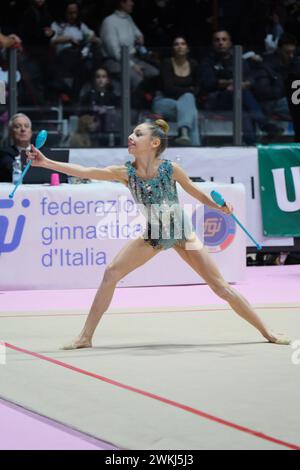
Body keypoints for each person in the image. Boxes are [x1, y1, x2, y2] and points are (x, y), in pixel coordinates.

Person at [26, 119, 290, 349]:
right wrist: (46, 162)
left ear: (154, 143)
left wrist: (220, 206)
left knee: (220, 286)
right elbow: (84, 171)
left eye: (138, 134)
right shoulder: (125, 173)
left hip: (182, 233)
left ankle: (266, 331)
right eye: (132, 133)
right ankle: (85, 337)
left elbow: (197, 194)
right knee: (111, 272)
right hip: (154, 234)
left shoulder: (171, 169)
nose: (131, 136)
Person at [199, 30, 283, 144]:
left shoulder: (238, 59)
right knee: (241, 94)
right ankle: (265, 124)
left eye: (224, 39)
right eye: (217, 40)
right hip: (216, 100)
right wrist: (231, 83)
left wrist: (245, 83)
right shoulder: (207, 61)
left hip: (238, 99)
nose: (220, 42)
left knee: (243, 109)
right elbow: (208, 82)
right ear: (213, 43)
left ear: (230, 43)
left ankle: (250, 142)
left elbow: (250, 78)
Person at [100, 0, 159, 90]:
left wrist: (140, 36)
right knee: (137, 78)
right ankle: (136, 103)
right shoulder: (109, 22)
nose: (132, 3)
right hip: (115, 62)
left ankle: (153, 102)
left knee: (155, 73)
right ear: (122, 3)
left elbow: (137, 33)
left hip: (133, 58)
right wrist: (132, 65)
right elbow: (115, 52)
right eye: (130, 1)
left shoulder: (128, 18)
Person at [152, 36, 200, 145]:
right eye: (176, 44)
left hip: (185, 104)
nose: (179, 46)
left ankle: (184, 133)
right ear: (173, 48)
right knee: (190, 108)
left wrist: (186, 92)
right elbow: (168, 89)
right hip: (163, 102)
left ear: (187, 48)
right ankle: (195, 146)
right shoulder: (167, 63)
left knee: (189, 102)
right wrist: (189, 90)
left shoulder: (193, 64)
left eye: (182, 44)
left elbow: (198, 88)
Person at [0, 113, 32, 182]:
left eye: (26, 126)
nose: (23, 129)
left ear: (31, 132)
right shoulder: (4, 153)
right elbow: (15, 172)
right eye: (17, 127)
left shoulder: (41, 152)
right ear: (11, 133)